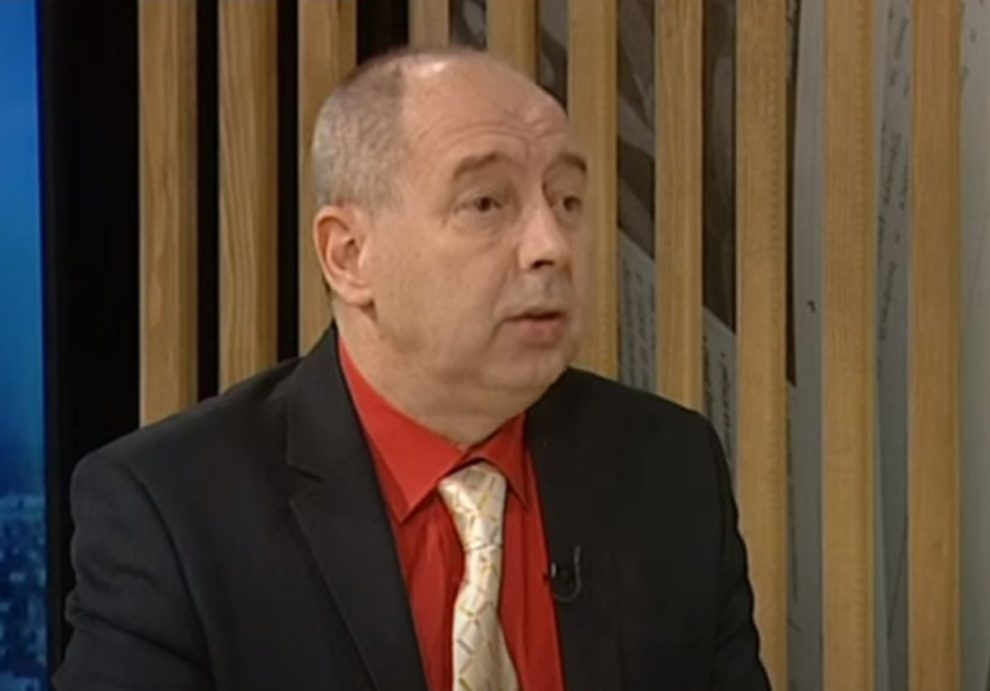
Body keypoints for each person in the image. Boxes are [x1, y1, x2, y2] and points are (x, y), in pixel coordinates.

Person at [54, 47, 770, 691]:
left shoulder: (670, 470)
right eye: (486, 203)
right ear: (349, 255)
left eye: (568, 200)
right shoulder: (172, 513)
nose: (551, 244)